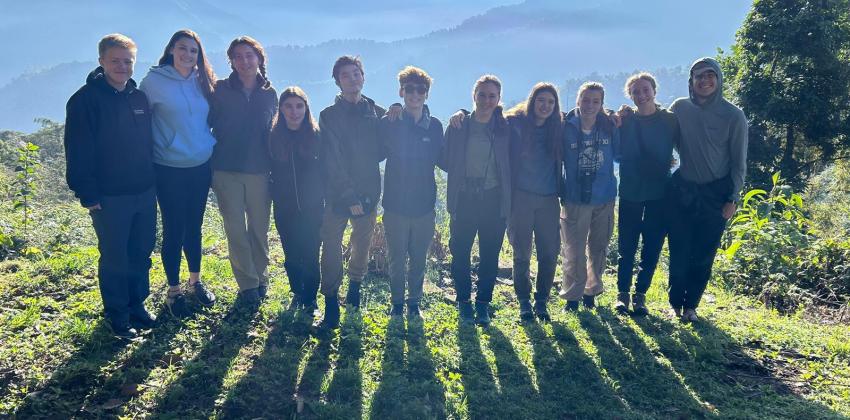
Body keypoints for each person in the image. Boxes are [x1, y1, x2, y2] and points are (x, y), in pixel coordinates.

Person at [64, 33, 157, 339]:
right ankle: (117, 315)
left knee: (141, 251)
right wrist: (87, 193)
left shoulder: (138, 97)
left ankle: (137, 305)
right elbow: (78, 150)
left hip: (144, 191)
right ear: (101, 61)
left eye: (127, 61)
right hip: (109, 196)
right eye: (115, 60)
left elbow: (147, 145)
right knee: (115, 255)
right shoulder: (85, 101)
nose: (122, 66)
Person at [140, 29, 217, 317]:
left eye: (193, 51)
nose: (188, 55)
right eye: (182, 48)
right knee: (174, 229)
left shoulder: (203, 81)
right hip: (169, 167)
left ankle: (195, 281)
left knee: (194, 227)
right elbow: (141, 123)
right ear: (172, 49)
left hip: (200, 165)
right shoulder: (154, 82)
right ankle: (173, 292)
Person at [667, 57, 748, 322]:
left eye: (710, 75)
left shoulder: (733, 115)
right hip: (683, 191)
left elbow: (739, 162)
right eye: (698, 76)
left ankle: (691, 306)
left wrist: (733, 198)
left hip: (716, 194)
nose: (704, 81)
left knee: (703, 253)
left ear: (719, 79)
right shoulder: (679, 108)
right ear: (691, 81)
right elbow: (665, 136)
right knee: (678, 250)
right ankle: (675, 303)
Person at [317, 55, 386, 329]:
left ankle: (355, 289)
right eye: (346, 75)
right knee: (331, 243)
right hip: (337, 193)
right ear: (337, 81)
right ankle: (331, 301)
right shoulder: (329, 116)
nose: (352, 79)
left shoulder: (377, 113)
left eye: (356, 73)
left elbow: (385, 148)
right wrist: (348, 195)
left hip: (369, 190)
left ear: (363, 76)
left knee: (362, 241)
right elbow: (331, 159)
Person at [208, 36, 277, 306]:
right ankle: (248, 285)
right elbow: (206, 125)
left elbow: (274, 133)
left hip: (260, 172)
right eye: (238, 56)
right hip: (226, 170)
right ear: (232, 62)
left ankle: (261, 278)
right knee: (235, 230)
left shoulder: (269, 93)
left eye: (249, 55)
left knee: (259, 230)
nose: (244, 61)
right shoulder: (220, 90)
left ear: (259, 58)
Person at [379, 66, 445, 320]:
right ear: (401, 91)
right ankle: (397, 304)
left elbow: (445, 157)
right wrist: (390, 108)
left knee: (419, 259)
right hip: (395, 205)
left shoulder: (435, 126)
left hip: (424, 206)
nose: (415, 95)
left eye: (420, 90)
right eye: (409, 89)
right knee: (396, 260)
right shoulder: (391, 122)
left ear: (426, 94)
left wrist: (462, 113)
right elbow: (374, 135)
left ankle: (414, 303)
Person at [444, 75, 511, 326]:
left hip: (494, 199)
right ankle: (463, 302)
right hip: (464, 197)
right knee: (459, 252)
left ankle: (482, 303)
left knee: (489, 254)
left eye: (492, 96)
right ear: (474, 96)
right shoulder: (460, 125)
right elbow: (444, 157)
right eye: (482, 94)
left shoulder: (505, 127)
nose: (486, 100)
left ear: (498, 99)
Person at [614, 73, 677, 316]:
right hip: (630, 190)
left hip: (660, 192)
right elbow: (617, 153)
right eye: (636, 92)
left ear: (654, 90)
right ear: (630, 96)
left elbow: (682, 146)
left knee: (652, 245)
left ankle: (640, 295)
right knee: (626, 246)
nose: (641, 95)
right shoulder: (626, 120)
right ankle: (622, 295)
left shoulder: (670, 120)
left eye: (645, 90)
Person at [504, 83, 563, 322]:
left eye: (550, 102)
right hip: (521, 197)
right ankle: (524, 300)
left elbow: (591, 117)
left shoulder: (559, 128)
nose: (545, 106)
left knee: (549, 253)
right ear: (532, 101)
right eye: (541, 100)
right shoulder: (515, 124)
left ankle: (542, 301)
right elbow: (488, 115)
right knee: (521, 253)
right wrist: (461, 115)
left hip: (549, 199)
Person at [559, 82, 620, 311]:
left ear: (602, 103)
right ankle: (572, 297)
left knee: (598, 247)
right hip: (575, 197)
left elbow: (620, 154)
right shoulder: (566, 126)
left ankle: (591, 292)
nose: (590, 105)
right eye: (586, 100)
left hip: (604, 195)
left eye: (596, 101)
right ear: (578, 100)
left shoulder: (609, 125)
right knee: (573, 248)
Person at [269, 86, 324, 318]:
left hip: (312, 208)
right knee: (291, 253)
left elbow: (326, 170)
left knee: (311, 253)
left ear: (306, 108)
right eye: (289, 106)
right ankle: (297, 291)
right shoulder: (273, 137)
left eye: (299, 106)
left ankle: (311, 298)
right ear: (281, 109)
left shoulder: (316, 135)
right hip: (285, 207)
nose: (294, 111)